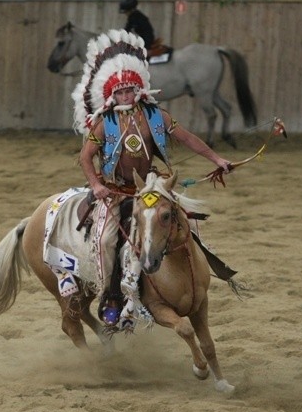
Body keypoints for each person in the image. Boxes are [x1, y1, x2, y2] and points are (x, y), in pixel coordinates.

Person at [72, 30, 233, 329]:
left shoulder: (156, 115)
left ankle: (197, 274)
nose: (126, 96)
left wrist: (217, 159)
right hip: (117, 191)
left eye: (130, 91)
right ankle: (112, 297)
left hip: (150, 187)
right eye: (120, 93)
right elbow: (84, 157)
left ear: (139, 90)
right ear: (111, 95)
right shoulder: (103, 123)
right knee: (108, 241)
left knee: (184, 223)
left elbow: (188, 139)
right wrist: (96, 185)